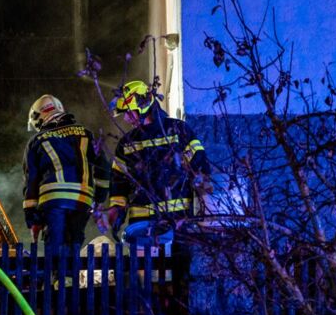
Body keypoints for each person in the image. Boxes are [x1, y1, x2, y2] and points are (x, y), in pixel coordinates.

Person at [106, 80, 211, 244]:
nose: (126, 118)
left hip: (178, 223)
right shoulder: (126, 144)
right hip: (141, 226)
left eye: (128, 112)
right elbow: (119, 183)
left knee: (179, 261)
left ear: (143, 106)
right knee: (145, 262)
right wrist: (116, 211)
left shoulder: (178, 130)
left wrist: (204, 210)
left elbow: (200, 167)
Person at [22, 94, 109, 247]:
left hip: (53, 202)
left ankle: (57, 263)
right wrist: (99, 200)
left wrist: (33, 220)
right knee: (73, 246)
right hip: (82, 201)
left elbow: (31, 183)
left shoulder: (36, 141)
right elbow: (104, 169)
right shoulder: (86, 134)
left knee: (55, 249)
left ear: (38, 118)